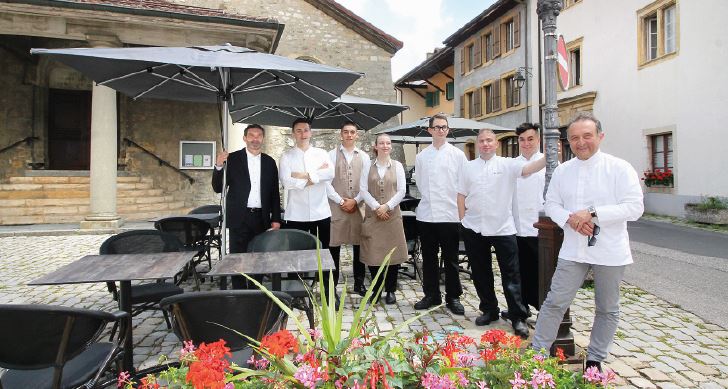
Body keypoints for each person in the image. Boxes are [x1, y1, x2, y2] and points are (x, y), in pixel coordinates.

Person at [531, 113, 643, 371]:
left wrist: (592, 213)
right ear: (568, 141)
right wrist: (570, 219)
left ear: (600, 136)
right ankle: (536, 355)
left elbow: (635, 207)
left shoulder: (619, 167)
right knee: (555, 302)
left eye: (587, 136)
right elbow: (552, 203)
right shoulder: (563, 170)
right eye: (574, 138)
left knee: (607, 308)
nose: (581, 142)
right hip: (573, 248)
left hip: (610, 250)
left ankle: (595, 360)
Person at [457, 128, 546, 339]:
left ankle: (517, 315)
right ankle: (489, 309)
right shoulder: (468, 167)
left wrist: (550, 156)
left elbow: (529, 168)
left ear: (496, 144)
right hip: (474, 226)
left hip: (503, 227)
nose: (486, 144)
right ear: (478, 144)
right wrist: (462, 221)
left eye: (489, 140)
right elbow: (461, 194)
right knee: (481, 272)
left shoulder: (508, 164)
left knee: (511, 273)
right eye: (482, 141)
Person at [212, 124, 281, 289]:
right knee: (237, 257)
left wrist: (276, 219)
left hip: (261, 217)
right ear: (245, 138)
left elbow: (274, 193)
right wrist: (219, 166)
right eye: (251, 135)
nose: (255, 139)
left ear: (263, 139)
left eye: (258, 136)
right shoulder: (232, 159)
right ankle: (239, 291)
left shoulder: (270, 162)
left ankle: (256, 289)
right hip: (239, 217)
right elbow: (217, 188)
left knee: (259, 256)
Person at [413, 113, 468, 315]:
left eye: (444, 127)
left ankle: (453, 296)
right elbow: (420, 183)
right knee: (428, 258)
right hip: (427, 214)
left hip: (449, 214)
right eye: (437, 127)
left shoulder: (457, 155)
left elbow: (463, 184)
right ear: (430, 130)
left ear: (448, 130)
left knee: (451, 258)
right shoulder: (421, 157)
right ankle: (431, 295)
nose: (441, 130)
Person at [278, 118, 337, 296]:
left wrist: (302, 176)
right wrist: (315, 176)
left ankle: (329, 291)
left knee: (325, 254)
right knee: (295, 255)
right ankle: (295, 292)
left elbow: (330, 173)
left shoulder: (322, 154)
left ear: (311, 132)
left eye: (305, 130)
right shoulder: (287, 156)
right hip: (296, 214)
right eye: (298, 130)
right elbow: (286, 182)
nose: (302, 134)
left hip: (321, 213)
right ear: (293, 134)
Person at [359, 133, 408, 304]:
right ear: (376, 146)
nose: (385, 146)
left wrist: (387, 206)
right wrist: (376, 207)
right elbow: (363, 190)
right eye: (382, 143)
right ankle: (377, 289)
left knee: (392, 255)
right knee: (373, 254)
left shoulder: (398, 166)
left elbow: (402, 190)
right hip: (373, 215)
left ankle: (391, 290)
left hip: (392, 216)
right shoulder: (367, 165)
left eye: (388, 143)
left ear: (391, 146)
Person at [326, 121, 371, 296]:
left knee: (359, 246)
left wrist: (355, 200)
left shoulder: (365, 157)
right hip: (336, 207)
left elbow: (366, 184)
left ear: (357, 135)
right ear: (341, 134)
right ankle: (332, 286)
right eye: (346, 132)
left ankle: (359, 284)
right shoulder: (330, 155)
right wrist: (340, 201)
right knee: (334, 247)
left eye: (352, 132)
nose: (349, 135)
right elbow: (326, 183)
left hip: (359, 207)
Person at [512, 123, 546, 313]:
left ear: (538, 140)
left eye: (530, 139)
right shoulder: (514, 162)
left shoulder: (550, 162)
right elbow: (525, 171)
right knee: (519, 272)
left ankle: (543, 309)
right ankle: (520, 308)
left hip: (540, 228)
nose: (526, 143)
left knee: (540, 272)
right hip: (518, 227)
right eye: (522, 140)